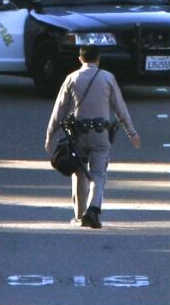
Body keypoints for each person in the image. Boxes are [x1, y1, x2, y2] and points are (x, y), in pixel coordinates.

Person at [44, 46, 141, 229]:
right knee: (98, 174)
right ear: (98, 59)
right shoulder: (107, 78)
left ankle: (80, 216)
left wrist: (50, 135)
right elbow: (120, 108)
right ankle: (94, 209)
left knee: (79, 173)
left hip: (78, 135)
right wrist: (132, 133)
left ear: (80, 59)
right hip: (101, 135)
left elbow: (59, 110)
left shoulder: (71, 79)